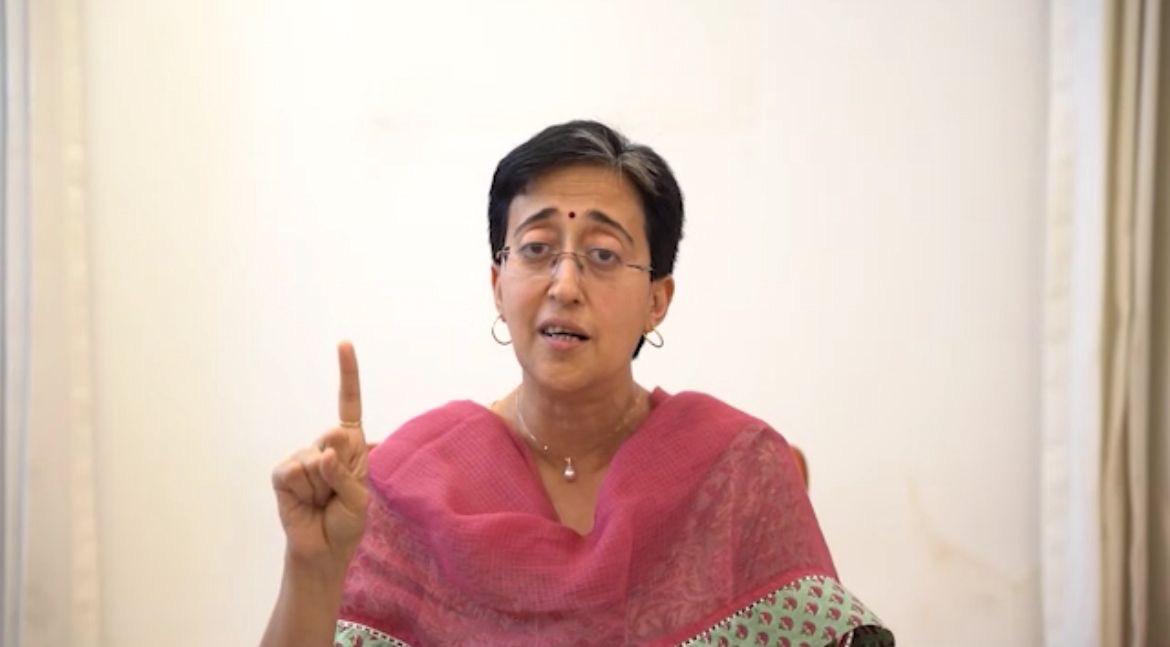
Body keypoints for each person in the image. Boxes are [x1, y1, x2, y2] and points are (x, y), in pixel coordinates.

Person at [261, 121, 895, 646]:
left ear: (657, 300)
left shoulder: (735, 473)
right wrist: (311, 567)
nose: (564, 285)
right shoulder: (404, 486)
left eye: (603, 254)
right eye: (537, 248)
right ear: (497, 285)